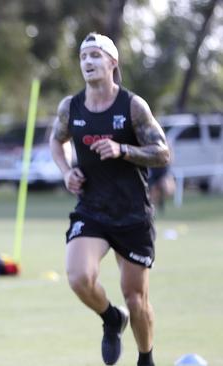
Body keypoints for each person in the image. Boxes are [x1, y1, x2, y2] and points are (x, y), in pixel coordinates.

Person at [49, 33, 170, 366]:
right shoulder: (70, 107)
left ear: (112, 63)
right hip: (93, 210)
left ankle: (146, 358)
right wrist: (65, 171)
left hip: (132, 214)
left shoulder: (132, 105)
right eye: (83, 56)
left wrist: (123, 150)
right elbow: (55, 141)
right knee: (78, 278)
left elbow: (162, 153)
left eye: (95, 56)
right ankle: (111, 318)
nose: (87, 62)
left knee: (136, 299)